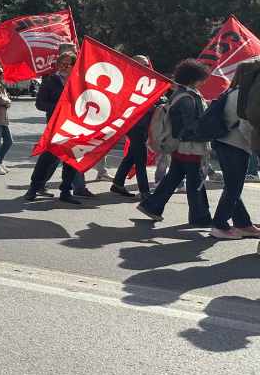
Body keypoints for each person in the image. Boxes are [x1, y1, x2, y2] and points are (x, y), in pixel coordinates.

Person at [137, 59, 213, 227]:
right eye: (202, 78)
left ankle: (152, 206)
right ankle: (200, 217)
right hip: (191, 147)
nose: (203, 82)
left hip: (180, 147)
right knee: (196, 182)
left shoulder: (181, 94)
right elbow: (188, 126)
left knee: (173, 178)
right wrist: (209, 129)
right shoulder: (188, 98)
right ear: (194, 79)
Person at [206, 67, 260, 239]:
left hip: (226, 143)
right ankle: (219, 225)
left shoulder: (232, 91)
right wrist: (254, 145)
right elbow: (245, 124)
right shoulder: (243, 95)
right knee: (233, 188)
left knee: (233, 186)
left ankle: (243, 223)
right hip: (236, 144)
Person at [24, 50, 83, 205]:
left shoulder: (80, 82)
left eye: (66, 64)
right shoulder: (51, 80)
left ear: (73, 66)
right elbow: (40, 103)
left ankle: (65, 191)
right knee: (47, 159)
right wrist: (58, 107)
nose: (62, 67)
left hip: (75, 127)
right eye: (60, 64)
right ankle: (34, 188)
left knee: (71, 160)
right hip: (56, 125)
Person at [111, 55, 155, 199]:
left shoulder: (148, 81)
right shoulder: (128, 82)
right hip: (133, 125)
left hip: (143, 125)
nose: (145, 67)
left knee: (131, 156)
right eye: (142, 64)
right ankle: (144, 192)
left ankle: (117, 184)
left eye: (147, 65)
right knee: (140, 159)